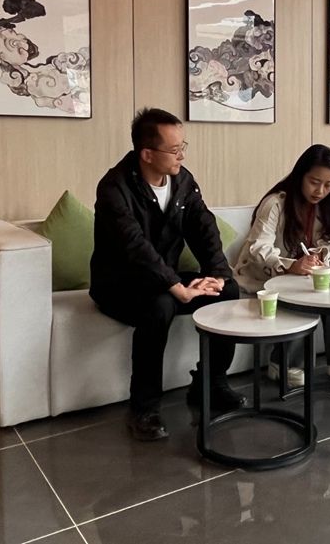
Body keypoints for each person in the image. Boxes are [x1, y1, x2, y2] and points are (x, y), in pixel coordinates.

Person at [89, 108, 246, 441]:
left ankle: (210, 384)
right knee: (160, 305)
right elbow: (134, 247)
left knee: (228, 292)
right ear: (147, 154)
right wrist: (176, 286)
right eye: (174, 150)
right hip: (119, 285)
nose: (182, 156)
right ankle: (144, 408)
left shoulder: (183, 181)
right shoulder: (114, 188)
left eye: (182, 147)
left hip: (163, 279)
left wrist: (217, 274)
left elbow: (204, 228)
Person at [233, 145, 330, 387]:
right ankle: (283, 364)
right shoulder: (276, 203)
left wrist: (322, 254)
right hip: (266, 277)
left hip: (306, 274)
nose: (320, 191)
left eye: (328, 185)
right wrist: (290, 266)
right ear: (300, 175)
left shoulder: (329, 205)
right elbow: (258, 247)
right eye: (314, 182)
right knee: (301, 292)